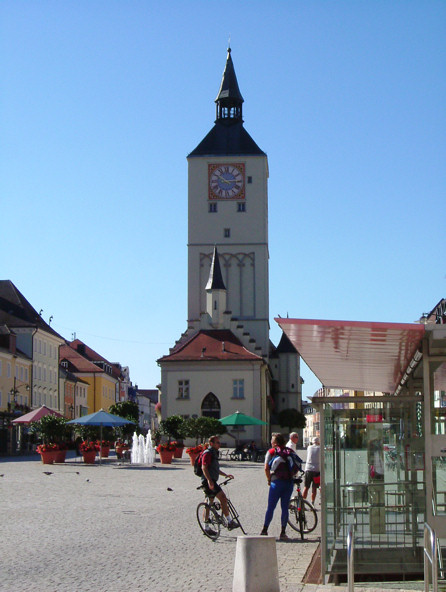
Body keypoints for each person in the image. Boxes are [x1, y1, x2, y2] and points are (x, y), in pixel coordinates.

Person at [260, 433, 295, 540]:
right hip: (289, 482)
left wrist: (269, 479)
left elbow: (266, 468)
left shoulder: (271, 451)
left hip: (276, 482)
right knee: (285, 508)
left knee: (271, 507)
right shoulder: (290, 451)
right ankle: (283, 532)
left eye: (272, 440)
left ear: (275, 443)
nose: (271, 442)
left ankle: (265, 529)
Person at [201, 435, 235, 534]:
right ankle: (229, 521)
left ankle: (206, 527)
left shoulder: (214, 453)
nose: (219, 444)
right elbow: (204, 468)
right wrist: (209, 481)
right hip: (208, 482)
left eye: (219, 442)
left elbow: (215, 468)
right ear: (211, 444)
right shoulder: (208, 453)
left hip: (211, 481)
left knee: (209, 502)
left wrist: (225, 475)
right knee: (223, 498)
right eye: (217, 442)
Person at [302, 437, 321, 505]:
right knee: (314, 488)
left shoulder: (309, 447)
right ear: (318, 442)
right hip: (317, 470)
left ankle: (302, 503)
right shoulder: (320, 448)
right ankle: (312, 503)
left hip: (308, 469)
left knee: (306, 487)